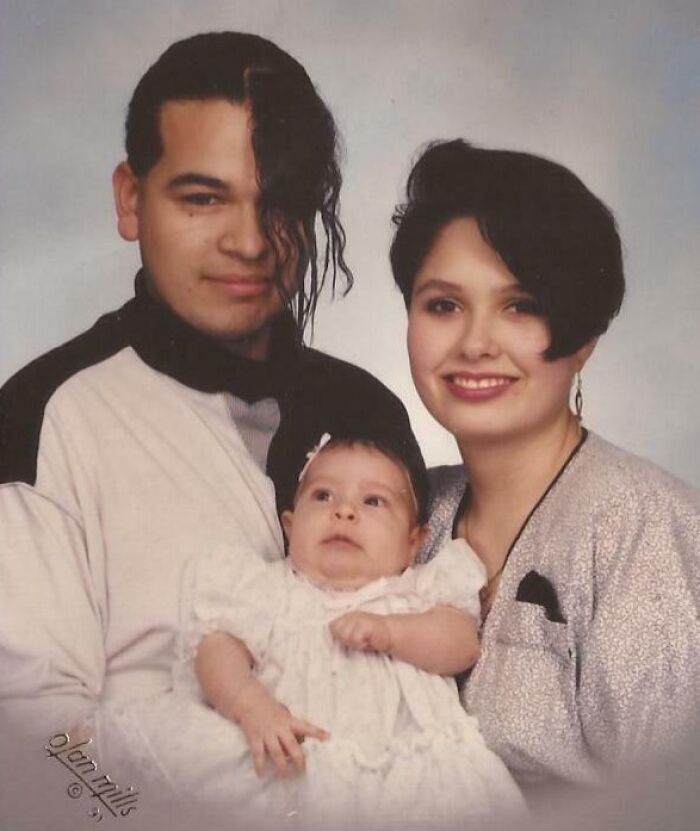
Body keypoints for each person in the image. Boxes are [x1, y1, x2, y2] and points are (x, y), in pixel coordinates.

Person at [0, 32, 422, 826]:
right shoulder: (42, 416)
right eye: (203, 198)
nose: (250, 242)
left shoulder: (367, 408)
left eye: (280, 203)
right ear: (131, 199)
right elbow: (32, 743)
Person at [390, 139, 700, 797]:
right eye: (443, 304)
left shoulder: (643, 530)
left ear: (583, 337)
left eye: (520, 306)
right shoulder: (413, 511)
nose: (475, 343)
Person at [94, 435, 523, 830]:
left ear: (414, 542)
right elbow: (216, 647)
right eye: (323, 496)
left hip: (410, 773)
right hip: (290, 758)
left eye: (373, 501)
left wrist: (392, 632)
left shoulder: (420, 590)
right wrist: (250, 705)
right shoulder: (268, 589)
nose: (344, 510)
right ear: (289, 524)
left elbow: (461, 644)